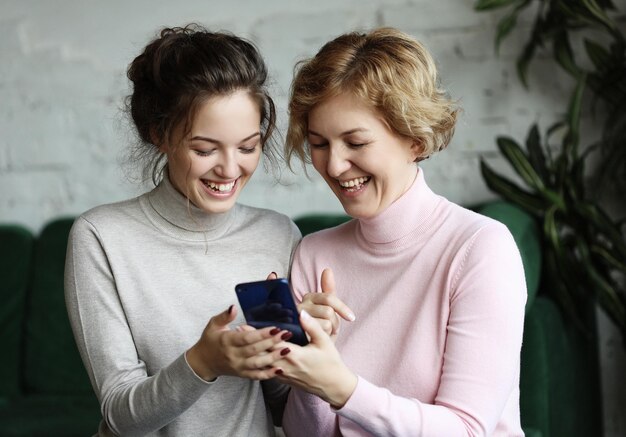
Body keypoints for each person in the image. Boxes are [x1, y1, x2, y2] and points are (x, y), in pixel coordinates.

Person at [275, 27, 527, 436]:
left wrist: (344, 389)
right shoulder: (314, 253)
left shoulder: (480, 248)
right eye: (319, 143)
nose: (334, 165)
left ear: (414, 138)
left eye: (355, 142)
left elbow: (466, 429)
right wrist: (310, 367)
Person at [64, 24, 301, 436]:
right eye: (204, 149)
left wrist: (296, 348)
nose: (230, 169)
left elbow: (283, 408)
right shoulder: (101, 236)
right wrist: (203, 362)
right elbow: (121, 416)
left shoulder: (278, 235)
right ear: (159, 134)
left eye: (247, 146)